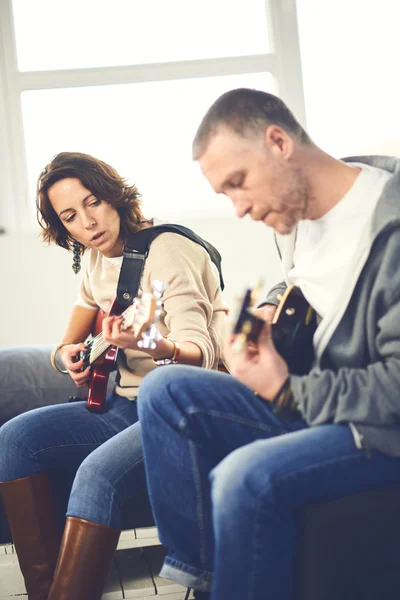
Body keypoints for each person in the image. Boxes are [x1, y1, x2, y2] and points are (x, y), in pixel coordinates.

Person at [137, 88, 400, 600]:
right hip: (315, 399)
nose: (237, 209)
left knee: (243, 477)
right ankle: (211, 583)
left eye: (238, 184)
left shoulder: (389, 226)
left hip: (376, 427)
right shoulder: (298, 214)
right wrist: (268, 310)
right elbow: (311, 281)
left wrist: (284, 389)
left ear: (278, 142)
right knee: (165, 391)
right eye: (224, 194)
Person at [0, 151, 228, 600]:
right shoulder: (93, 259)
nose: (88, 221)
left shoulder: (170, 252)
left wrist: (146, 343)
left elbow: (199, 355)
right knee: (13, 439)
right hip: (123, 403)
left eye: (93, 203)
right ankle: (44, 589)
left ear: (113, 196)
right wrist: (71, 359)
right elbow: (67, 345)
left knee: (97, 474)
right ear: (62, 228)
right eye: (70, 216)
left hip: (178, 408)